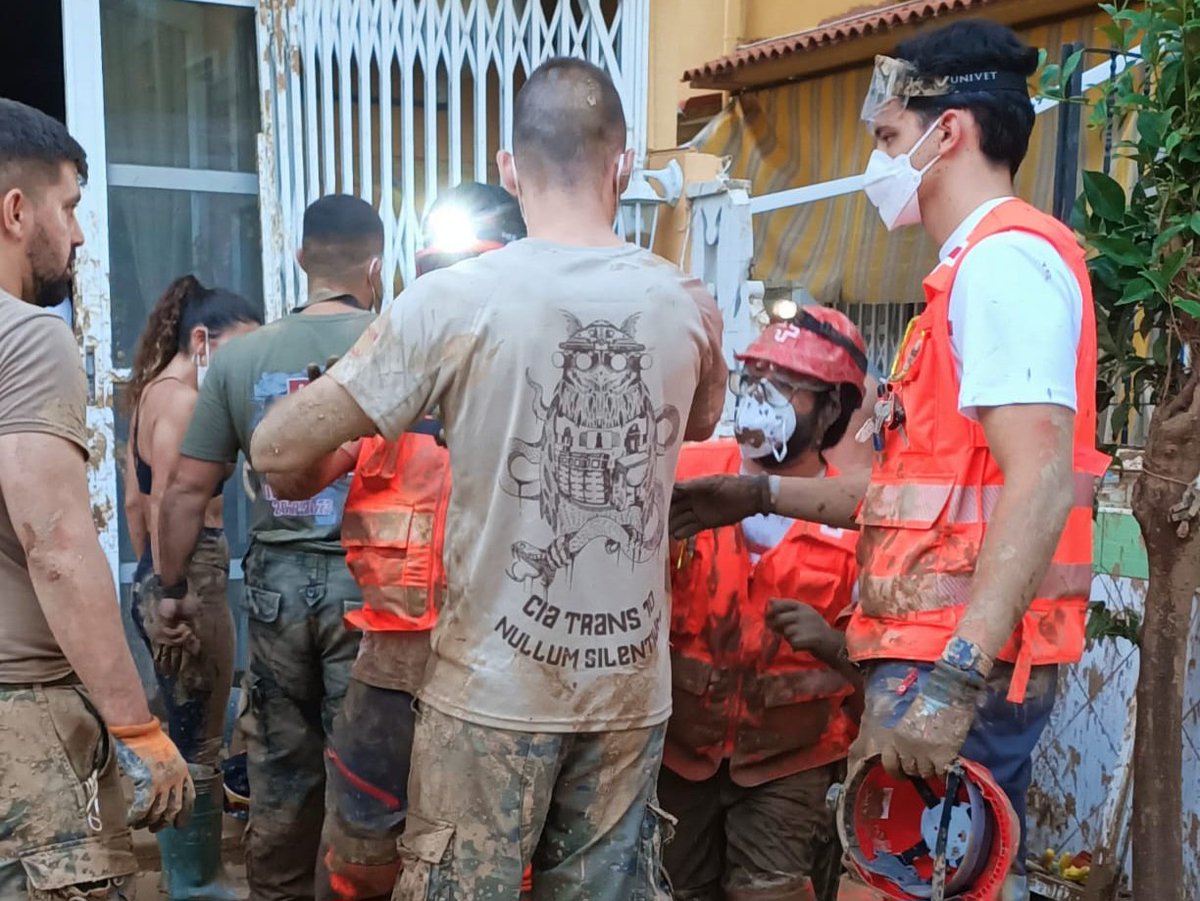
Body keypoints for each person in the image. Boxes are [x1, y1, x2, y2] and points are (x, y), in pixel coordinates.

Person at [250, 57, 727, 901]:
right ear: (622, 164)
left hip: (490, 693)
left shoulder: (452, 301)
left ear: (511, 167)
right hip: (627, 690)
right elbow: (695, 425)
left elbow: (278, 452)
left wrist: (366, 405)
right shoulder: (686, 301)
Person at [669, 20, 1110, 901]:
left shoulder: (1004, 266)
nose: (879, 164)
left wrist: (954, 679)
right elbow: (918, 496)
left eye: (887, 138)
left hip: (951, 669)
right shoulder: (967, 276)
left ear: (949, 131)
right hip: (930, 661)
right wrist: (757, 490)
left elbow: (1041, 477)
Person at [267, 181, 533, 901]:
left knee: (491, 867)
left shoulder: (540, 391)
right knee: (357, 860)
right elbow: (286, 474)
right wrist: (343, 398)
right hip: (388, 674)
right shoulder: (389, 390)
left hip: (503, 680)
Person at [154, 194, 384, 901]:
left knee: (281, 774)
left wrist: (170, 589)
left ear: (299, 259)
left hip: (275, 590)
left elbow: (185, 492)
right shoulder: (399, 342)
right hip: (374, 588)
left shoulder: (242, 357)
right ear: (375, 265)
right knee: (368, 777)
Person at [0, 98, 193, 899]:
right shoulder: (27, 336)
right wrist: (137, 725)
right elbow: (57, 543)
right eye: (70, 207)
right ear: (15, 210)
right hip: (24, 723)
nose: (78, 234)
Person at [662, 307, 866, 901]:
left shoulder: (851, 520)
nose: (762, 400)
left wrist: (829, 642)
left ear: (832, 408)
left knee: (768, 894)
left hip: (790, 759)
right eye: (754, 382)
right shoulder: (687, 474)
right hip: (681, 751)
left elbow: (881, 664)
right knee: (673, 890)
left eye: (788, 389)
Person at [123, 275, 262, 897]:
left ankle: (190, 877)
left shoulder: (152, 394)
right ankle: (198, 883)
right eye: (238, 351)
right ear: (201, 340)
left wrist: (147, 576)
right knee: (199, 742)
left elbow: (133, 504)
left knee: (179, 730)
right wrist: (172, 591)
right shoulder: (183, 402)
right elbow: (165, 503)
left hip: (163, 570)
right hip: (190, 573)